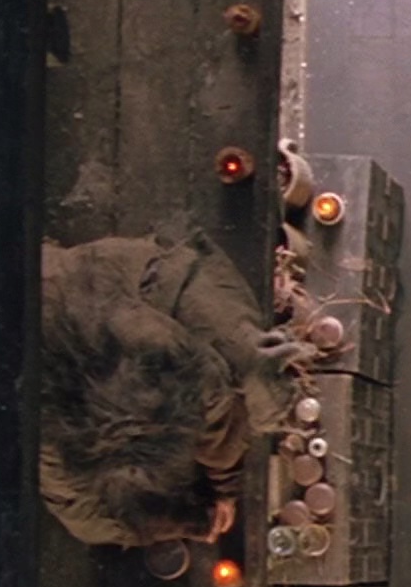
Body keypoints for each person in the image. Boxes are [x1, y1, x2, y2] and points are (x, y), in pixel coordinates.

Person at [39, 230, 310, 548]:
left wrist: (225, 486)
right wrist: (190, 522)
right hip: (40, 312)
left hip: (125, 288)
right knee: (96, 526)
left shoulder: (156, 348)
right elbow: (80, 510)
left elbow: (216, 402)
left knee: (253, 375)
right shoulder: (48, 441)